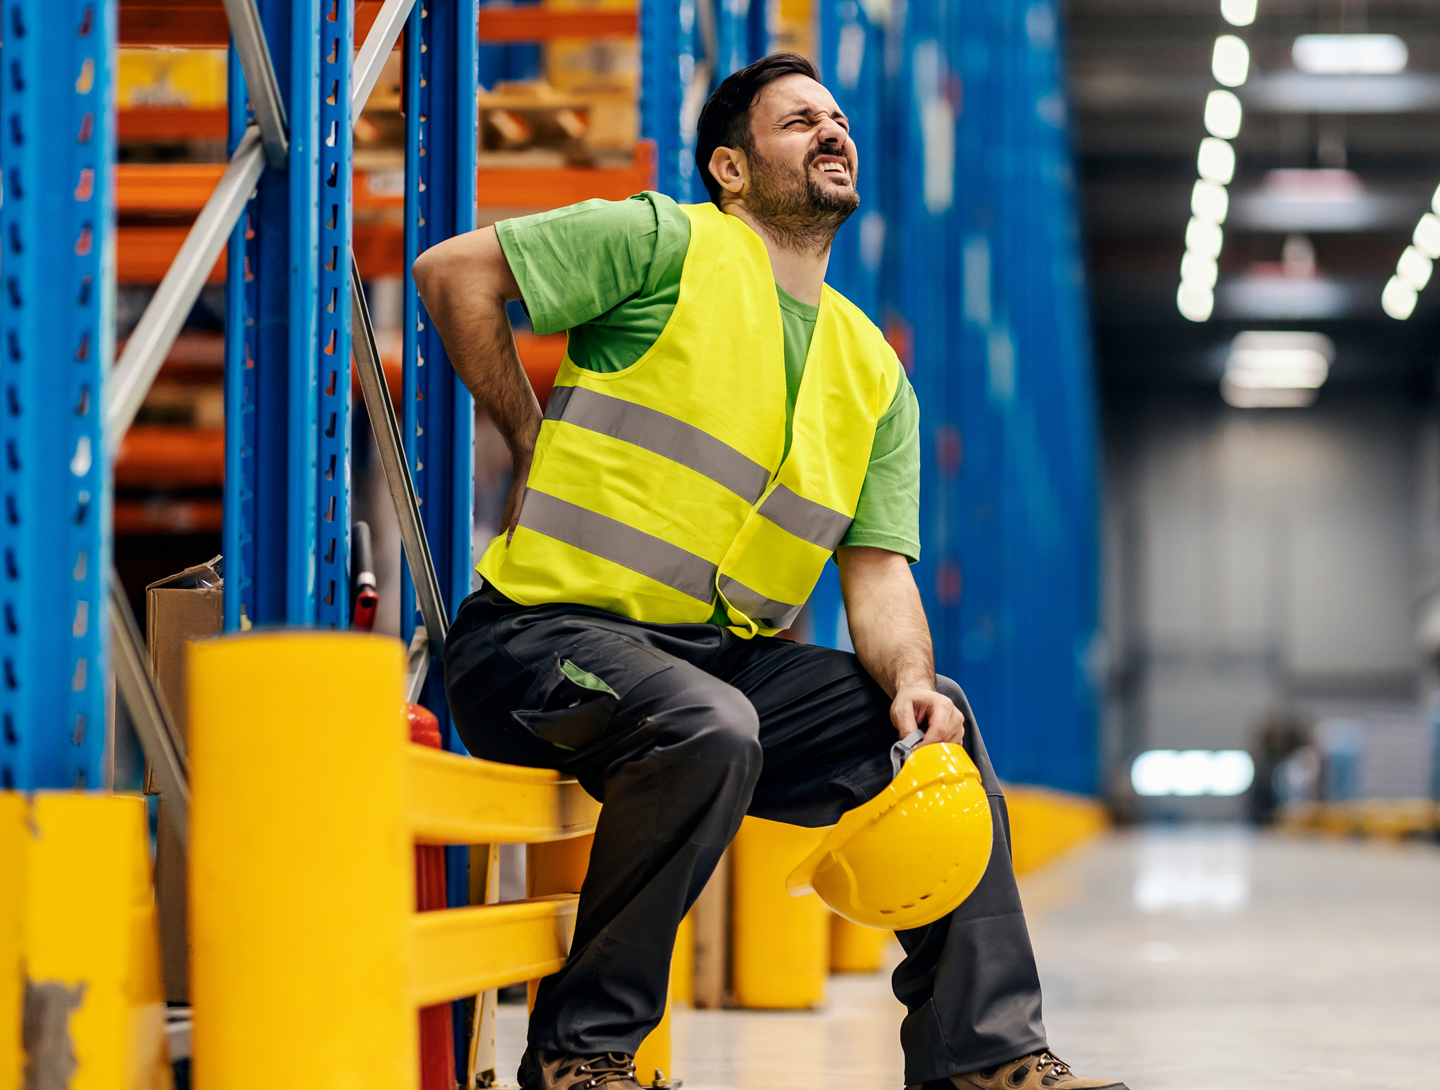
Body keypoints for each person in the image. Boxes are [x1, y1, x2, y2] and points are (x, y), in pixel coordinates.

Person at [412, 52, 1125, 1090]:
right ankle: (581, 1054)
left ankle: (985, 1056)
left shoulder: (870, 369)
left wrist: (912, 685)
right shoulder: (665, 240)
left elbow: (875, 576)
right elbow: (453, 272)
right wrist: (522, 436)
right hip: (540, 646)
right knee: (708, 723)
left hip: (712, 664)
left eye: (834, 118)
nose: (829, 131)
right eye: (797, 121)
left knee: (936, 737)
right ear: (731, 169)